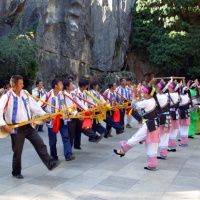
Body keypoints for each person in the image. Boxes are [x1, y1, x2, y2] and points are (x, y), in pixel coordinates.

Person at [0, 75, 60, 179]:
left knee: (39, 143)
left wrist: (44, 115)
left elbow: (35, 107)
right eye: (21, 84)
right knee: (18, 151)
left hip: (28, 126)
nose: (23, 85)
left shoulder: (25, 94)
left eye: (23, 83)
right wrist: (4, 125)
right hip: (16, 128)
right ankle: (16, 172)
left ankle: (50, 163)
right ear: (14, 85)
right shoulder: (7, 97)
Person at [114, 85, 160, 171]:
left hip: (148, 125)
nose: (143, 94)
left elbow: (134, 105)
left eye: (144, 93)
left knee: (136, 137)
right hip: (153, 125)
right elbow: (141, 101)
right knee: (152, 146)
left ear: (149, 94)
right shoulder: (152, 100)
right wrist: (137, 94)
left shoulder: (147, 102)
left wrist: (133, 95)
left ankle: (124, 149)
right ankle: (152, 165)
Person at [40, 79, 75, 162]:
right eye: (60, 84)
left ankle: (68, 155)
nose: (62, 85)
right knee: (53, 140)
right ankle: (54, 157)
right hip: (52, 120)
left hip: (62, 119)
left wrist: (72, 113)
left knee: (66, 137)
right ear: (56, 85)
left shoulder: (62, 94)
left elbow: (67, 104)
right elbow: (38, 106)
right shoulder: (47, 96)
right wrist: (45, 114)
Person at [72, 78, 104, 144]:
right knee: (82, 126)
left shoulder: (84, 92)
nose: (87, 87)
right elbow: (78, 103)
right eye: (87, 86)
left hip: (84, 110)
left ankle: (77, 144)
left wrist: (89, 108)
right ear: (84, 86)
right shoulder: (75, 93)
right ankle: (94, 136)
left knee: (79, 127)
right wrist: (86, 110)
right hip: (77, 111)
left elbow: (85, 102)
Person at [63, 79, 82, 149]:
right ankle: (69, 150)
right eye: (71, 85)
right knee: (70, 135)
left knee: (75, 132)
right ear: (67, 87)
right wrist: (77, 114)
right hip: (69, 117)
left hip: (74, 115)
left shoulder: (71, 93)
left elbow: (78, 103)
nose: (72, 86)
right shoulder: (65, 95)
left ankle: (72, 147)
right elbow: (70, 108)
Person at [156, 81, 171, 159]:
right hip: (167, 116)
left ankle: (161, 153)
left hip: (162, 117)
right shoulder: (167, 95)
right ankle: (163, 153)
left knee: (161, 135)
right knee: (165, 135)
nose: (157, 88)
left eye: (158, 87)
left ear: (161, 89)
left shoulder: (160, 97)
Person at [168, 82, 180, 152]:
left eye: (170, 87)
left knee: (169, 130)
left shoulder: (170, 95)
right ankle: (173, 146)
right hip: (176, 113)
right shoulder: (178, 95)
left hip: (170, 113)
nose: (168, 88)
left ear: (173, 89)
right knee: (174, 131)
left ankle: (169, 146)